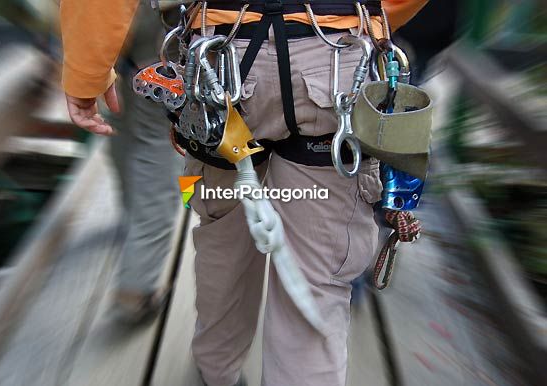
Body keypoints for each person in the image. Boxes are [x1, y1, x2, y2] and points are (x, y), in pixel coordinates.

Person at [60, 0, 428, 384]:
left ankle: (216, 371)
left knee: (222, 240)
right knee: (318, 277)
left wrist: (86, 72)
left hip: (220, 61)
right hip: (334, 63)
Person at [63, 0, 182, 322]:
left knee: (123, 118)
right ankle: (137, 287)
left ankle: (132, 215)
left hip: (99, 16)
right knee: (156, 139)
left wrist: (83, 73)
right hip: (159, 18)